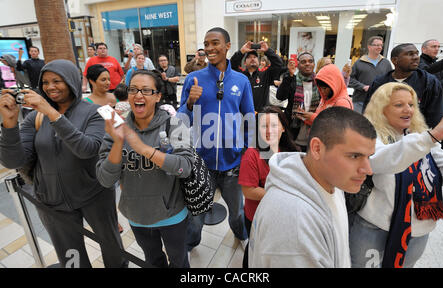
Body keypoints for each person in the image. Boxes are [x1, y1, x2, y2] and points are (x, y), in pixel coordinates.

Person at [0, 59, 127, 268]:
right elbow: (14, 160)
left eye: (57, 81)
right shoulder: (34, 117)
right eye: (46, 82)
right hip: (51, 200)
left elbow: (87, 149)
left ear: (72, 81)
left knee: (111, 244)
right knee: (70, 256)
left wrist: (52, 113)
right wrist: (10, 125)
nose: (50, 87)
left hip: (94, 194)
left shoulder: (96, 112)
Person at [249, 106, 377, 267]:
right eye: (354, 156)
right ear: (317, 149)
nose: (368, 170)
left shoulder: (331, 181)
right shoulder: (294, 225)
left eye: (368, 157)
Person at [96, 70, 195, 268]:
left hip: (172, 214)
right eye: (133, 89)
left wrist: (142, 148)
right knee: (153, 260)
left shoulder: (175, 124)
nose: (138, 95)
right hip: (137, 216)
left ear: (158, 96)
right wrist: (118, 142)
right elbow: (105, 180)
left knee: (179, 260)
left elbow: (186, 167)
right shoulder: (117, 127)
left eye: (146, 90)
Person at [350, 82, 443, 268]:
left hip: (418, 230)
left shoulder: (422, 136)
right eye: (399, 105)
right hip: (374, 226)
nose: (408, 110)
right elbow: (380, 161)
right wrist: (431, 137)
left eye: (411, 104)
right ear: (382, 108)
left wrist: (429, 139)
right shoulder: (370, 135)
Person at [177, 27, 255, 252]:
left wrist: (247, 151)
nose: (209, 48)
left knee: (238, 212)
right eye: (206, 44)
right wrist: (190, 103)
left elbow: (248, 118)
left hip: (233, 165)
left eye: (215, 43)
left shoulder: (241, 81)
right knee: (196, 216)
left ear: (228, 45)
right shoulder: (193, 79)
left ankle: (242, 236)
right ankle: (190, 246)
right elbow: (181, 123)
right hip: (202, 165)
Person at [238, 105, 299, 268]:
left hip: (280, 215)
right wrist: (281, 195)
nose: (269, 130)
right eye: (264, 126)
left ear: (283, 128)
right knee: (254, 250)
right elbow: (248, 190)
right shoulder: (252, 154)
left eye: (273, 125)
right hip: (257, 216)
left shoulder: (289, 151)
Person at [363, 43, 443, 129]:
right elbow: (369, 111)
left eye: (417, 53)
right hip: (385, 135)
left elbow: (435, 117)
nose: (416, 57)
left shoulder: (429, 82)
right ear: (394, 60)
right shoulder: (379, 82)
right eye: (410, 54)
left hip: (417, 136)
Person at [276, 52, 320, 151]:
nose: (307, 64)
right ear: (298, 65)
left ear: (314, 64)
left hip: (313, 133)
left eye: (310, 61)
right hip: (293, 132)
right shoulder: (292, 80)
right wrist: (289, 75)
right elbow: (280, 96)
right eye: (303, 62)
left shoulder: (319, 82)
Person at [230, 41, 283, 112]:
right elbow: (231, 65)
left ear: (258, 62)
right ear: (245, 63)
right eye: (249, 57)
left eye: (255, 57)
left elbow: (278, 64)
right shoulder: (240, 75)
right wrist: (241, 51)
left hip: (261, 115)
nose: (252, 59)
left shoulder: (265, 75)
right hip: (243, 115)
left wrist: (267, 50)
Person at [349, 36, 393, 113]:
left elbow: (391, 80)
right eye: (377, 45)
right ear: (369, 47)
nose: (379, 47)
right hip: (360, 101)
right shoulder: (359, 63)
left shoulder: (386, 63)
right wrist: (363, 87)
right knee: (358, 124)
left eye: (381, 45)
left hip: (380, 102)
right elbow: (351, 80)